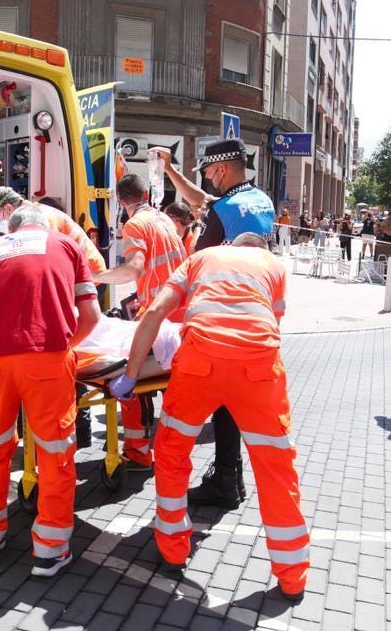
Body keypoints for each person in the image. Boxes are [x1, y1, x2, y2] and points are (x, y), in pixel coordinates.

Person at [109, 233, 308, 601]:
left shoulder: (202, 257)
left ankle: (173, 549)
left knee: (172, 451)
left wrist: (132, 374)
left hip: (200, 362)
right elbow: (271, 323)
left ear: (232, 246)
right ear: (261, 251)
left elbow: (154, 312)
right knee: (276, 466)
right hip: (259, 367)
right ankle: (292, 577)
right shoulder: (275, 267)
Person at [0, 205, 101, 577]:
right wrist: (65, 346)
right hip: (45, 362)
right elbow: (91, 317)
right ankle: (49, 549)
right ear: (47, 226)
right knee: (55, 452)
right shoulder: (66, 244)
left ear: (12, 228)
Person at [149, 138, 275, 509]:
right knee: (235, 402)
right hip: (259, 313)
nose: (207, 178)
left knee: (219, 400)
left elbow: (198, 261)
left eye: (207, 172)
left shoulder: (222, 211)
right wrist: (171, 171)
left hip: (222, 317)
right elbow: (205, 202)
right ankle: (230, 476)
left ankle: (225, 480)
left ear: (220, 169)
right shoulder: (258, 200)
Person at [93, 174, 188, 470]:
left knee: (125, 376)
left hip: (158, 321)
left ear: (121, 201)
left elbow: (133, 269)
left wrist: (94, 278)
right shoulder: (165, 221)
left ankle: (137, 452)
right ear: (145, 194)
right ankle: (171, 453)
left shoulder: (135, 225)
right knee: (173, 391)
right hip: (180, 317)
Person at [0, 187, 106, 277]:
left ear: (8, 208)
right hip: (75, 271)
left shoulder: (43, 218)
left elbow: (48, 260)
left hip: (91, 274)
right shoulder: (26, 217)